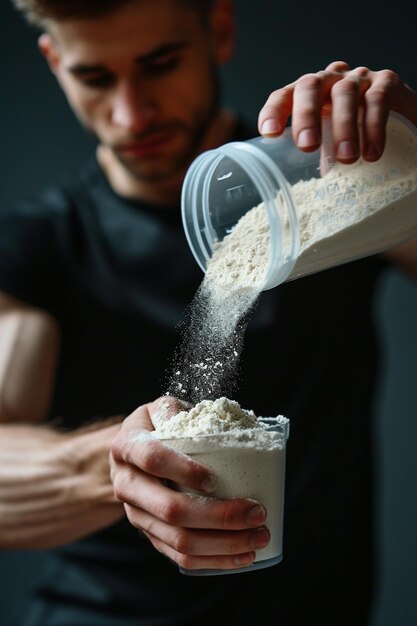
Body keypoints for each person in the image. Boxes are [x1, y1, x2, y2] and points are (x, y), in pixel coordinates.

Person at [1, 0, 417, 624]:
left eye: (161, 63)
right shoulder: (37, 244)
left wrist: (409, 154)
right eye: (94, 77)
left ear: (218, 31)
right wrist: (114, 463)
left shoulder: (337, 182)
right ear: (55, 61)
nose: (131, 112)